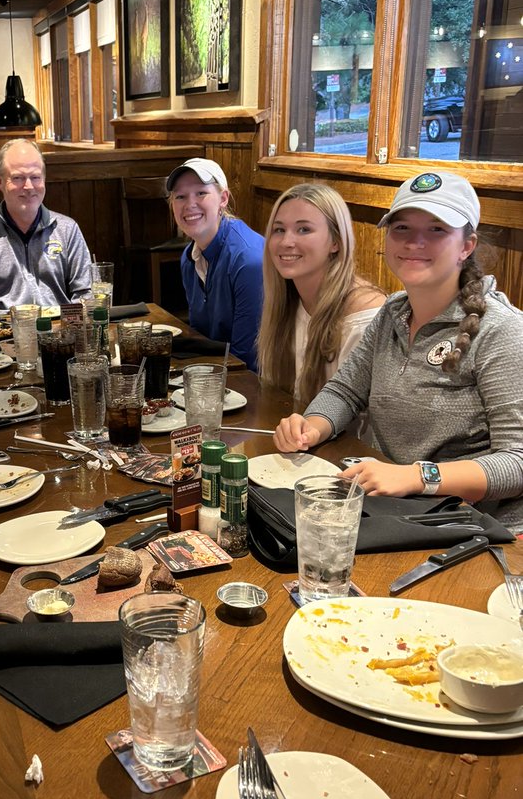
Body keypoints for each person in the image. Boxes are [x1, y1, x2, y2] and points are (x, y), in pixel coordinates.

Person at [274, 172, 523, 528]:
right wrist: (311, 427)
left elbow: (517, 462)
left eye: (436, 229)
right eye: (401, 228)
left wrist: (416, 477)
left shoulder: (503, 330)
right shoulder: (393, 311)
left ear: (467, 246)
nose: (413, 242)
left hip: (473, 528)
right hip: (396, 510)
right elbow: (345, 392)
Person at [257, 183, 385, 404]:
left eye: (303, 229)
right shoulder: (287, 302)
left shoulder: (365, 317)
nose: (286, 242)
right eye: (279, 230)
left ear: (336, 242)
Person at [0, 138, 92, 315]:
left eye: (35, 177)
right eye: (18, 178)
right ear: (0, 182)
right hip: (3, 335)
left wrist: (68, 327)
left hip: (61, 333)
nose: (28, 186)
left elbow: (86, 292)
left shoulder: (67, 229)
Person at [167, 157, 264, 371]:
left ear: (223, 198)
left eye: (201, 193)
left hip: (255, 381)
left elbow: (247, 357)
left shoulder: (248, 261)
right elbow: (200, 336)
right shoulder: (189, 258)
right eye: (180, 196)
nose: (190, 204)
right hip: (218, 372)